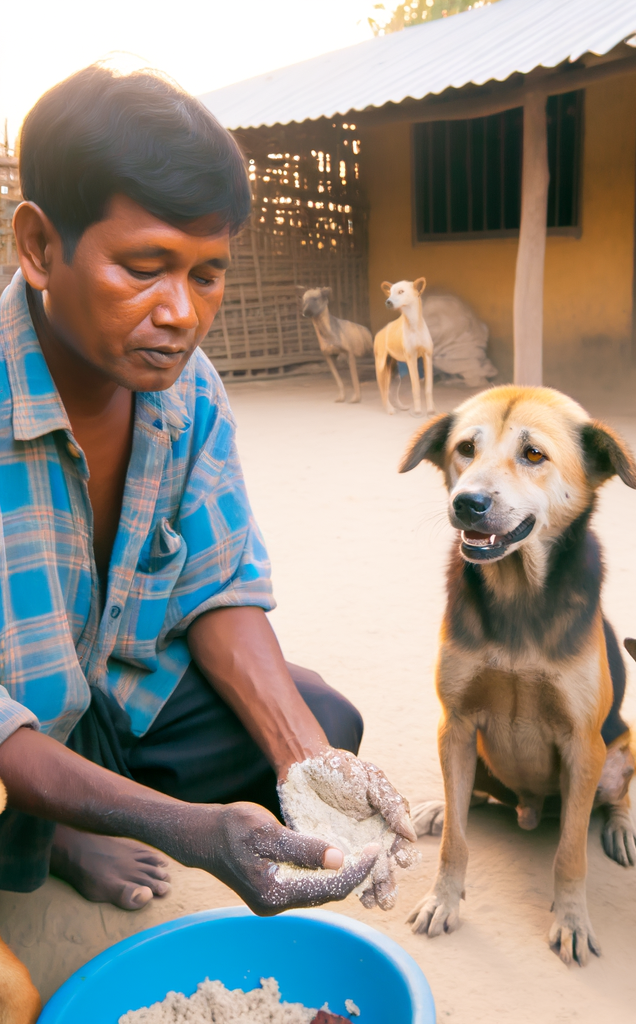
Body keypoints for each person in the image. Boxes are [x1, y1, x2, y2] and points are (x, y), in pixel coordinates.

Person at [0, 66, 413, 916]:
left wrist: (306, 763)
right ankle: (64, 831)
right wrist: (188, 829)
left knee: (324, 720)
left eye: (207, 275)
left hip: (110, 694)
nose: (182, 313)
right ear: (40, 246)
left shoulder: (189, 393)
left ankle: (78, 810)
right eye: (144, 268)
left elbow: (219, 590)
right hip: (15, 729)